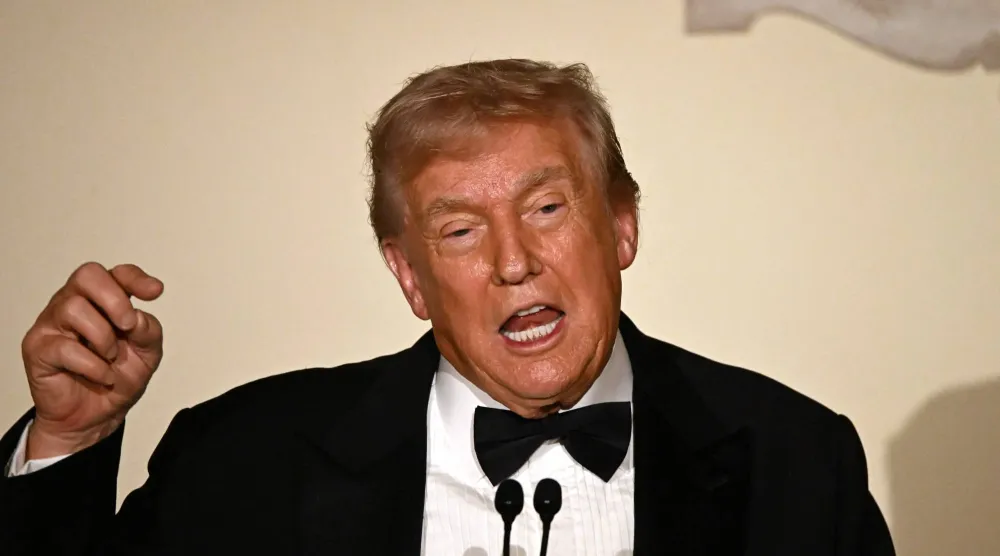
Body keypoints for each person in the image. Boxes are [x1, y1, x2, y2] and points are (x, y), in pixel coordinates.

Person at [0, 59, 894, 556]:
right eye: (460, 231)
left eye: (547, 209)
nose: (514, 262)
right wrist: (68, 443)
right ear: (410, 278)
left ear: (621, 225)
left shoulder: (796, 463)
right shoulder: (245, 459)